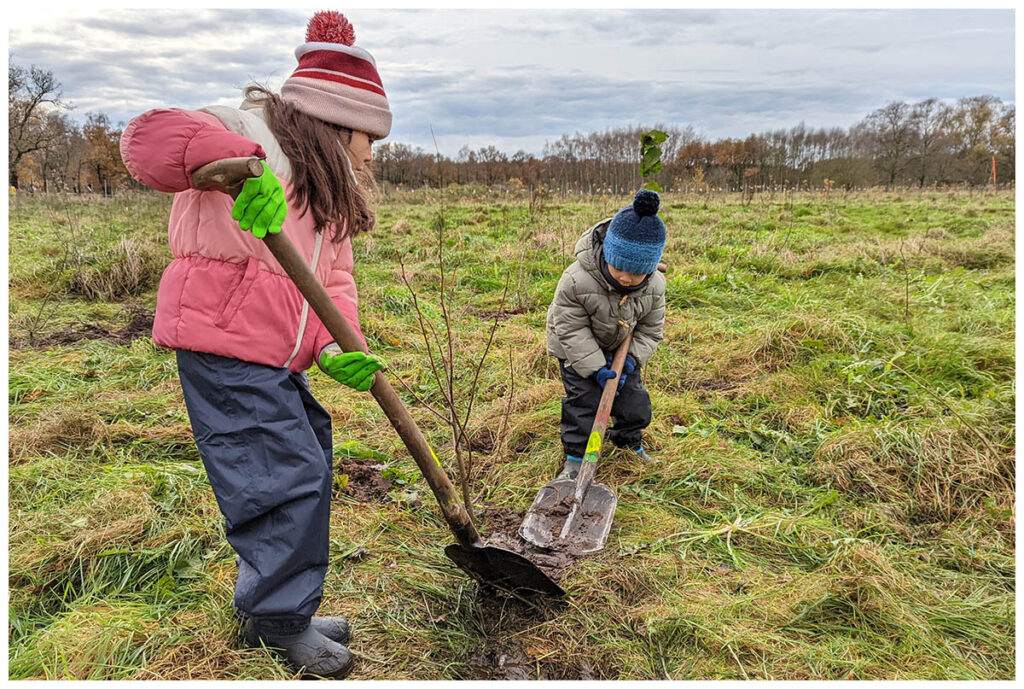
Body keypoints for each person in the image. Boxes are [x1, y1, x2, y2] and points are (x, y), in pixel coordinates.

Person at [119, 10, 391, 678]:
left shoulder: (329, 191)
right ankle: (275, 621)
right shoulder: (251, 131)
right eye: (368, 136)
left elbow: (337, 283)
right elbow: (147, 140)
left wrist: (337, 347)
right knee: (281, 476)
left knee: (310, 456)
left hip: (274, 356)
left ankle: (280, 607)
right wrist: (230, 166)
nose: (371, 153)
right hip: (223, 345)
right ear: (335, 118)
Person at [545, 189, 667, 480]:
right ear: (607, 255)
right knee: (584, 400)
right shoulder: (576, 281)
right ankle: (576, 460)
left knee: (633, 400)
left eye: (636, 273)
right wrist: (595, 368)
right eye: (619, 268)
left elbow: (651, 329)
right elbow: (570, 328)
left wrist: (631, 360)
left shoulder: (655, 287)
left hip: (619, 347)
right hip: (575, 349)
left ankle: (627, 442)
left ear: (649, 270)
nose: (626, 277)